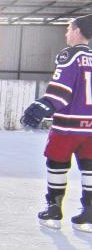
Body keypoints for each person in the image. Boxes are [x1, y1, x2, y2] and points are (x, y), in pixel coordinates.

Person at [21, 16, 92, 229]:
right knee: (89, 168)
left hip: (67, 127)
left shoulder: (70, 55)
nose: (67, 33)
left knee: (57, 164)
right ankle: (89, 214)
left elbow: (62, 88)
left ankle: (53, 210)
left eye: (69, 29)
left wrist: (45, 105)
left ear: (78, 31)